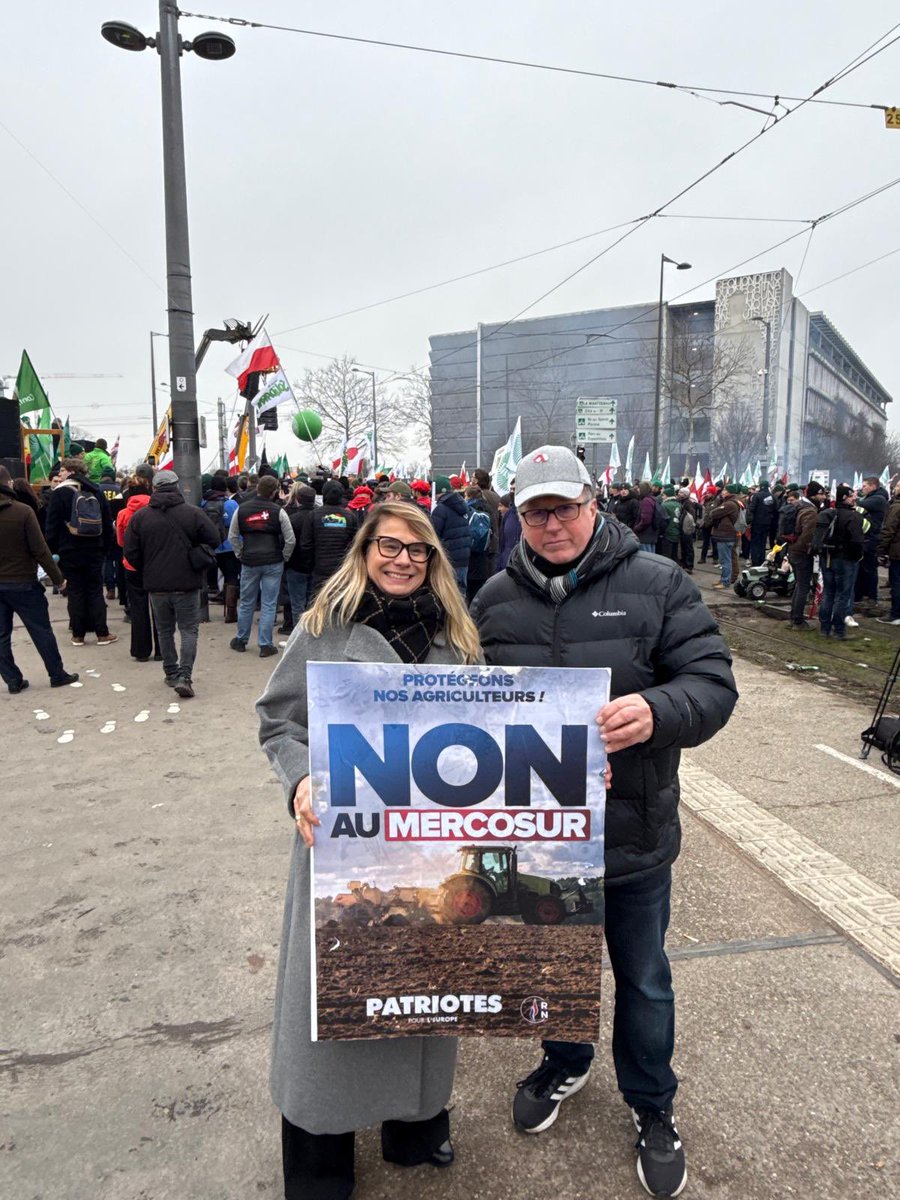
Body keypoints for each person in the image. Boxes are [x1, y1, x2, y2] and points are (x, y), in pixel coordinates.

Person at [469, 445, 737, 1200]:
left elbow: (713, 685)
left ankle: (653, 1106)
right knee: (554, 968)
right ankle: (566, 1057)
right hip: (546, 841)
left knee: (644, 981)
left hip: (633, 839)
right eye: (535, 511)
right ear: (516, 516)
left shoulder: (658, 583)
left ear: (595, 503)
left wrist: (655, 711)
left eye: (565, 508)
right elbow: (469, 712)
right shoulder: (491, 600)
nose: (552, 524)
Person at [256, 501, 481, 1200]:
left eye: (419, 551)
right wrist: (300, 783)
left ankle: (414, 1128)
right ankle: (321, 1160)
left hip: (431, 843)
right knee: (332, 1001)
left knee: (422, 986)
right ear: (364, 550)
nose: (403, 559)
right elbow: (278, 722)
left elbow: (493, 732)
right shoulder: (324, 628)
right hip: (343, 846)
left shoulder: (457, 640)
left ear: (435, 561)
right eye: (389, 546)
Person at [123, 470, 220, 698]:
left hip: (156, 585)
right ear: (177, 487)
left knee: (164, 630)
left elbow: (130, 552)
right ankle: (185, 676)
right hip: (187, 582)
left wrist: (148, 567)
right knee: (188, 630)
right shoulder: (193, 513)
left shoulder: (140, 517)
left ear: (153, 489)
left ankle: (170, 672)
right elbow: (214, 538)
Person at [0, 465, 78, 693]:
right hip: (23, 582)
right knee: (41, 630)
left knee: (1, 635)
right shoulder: (23, 512)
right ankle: (56, 674)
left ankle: (13, 680)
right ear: (9, 484)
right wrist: (59, 579)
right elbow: (40, 550)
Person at [44, 455, 117, 647]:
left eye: (62, 470)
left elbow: (51, 525)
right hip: (95, 548)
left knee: (75, 590)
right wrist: (106, 547)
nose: (60, 473)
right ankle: (102, 633)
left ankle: (78, 634)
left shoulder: (59, 493)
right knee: (94, 589)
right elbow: (108, 523)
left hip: (69, 549)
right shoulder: (96, 490)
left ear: (70, 471)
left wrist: (53, 551)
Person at [228, 475, 296, 657]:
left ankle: (241, 640)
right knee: (269, 604)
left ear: (257, 488)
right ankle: (265, 644)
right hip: (273, 561)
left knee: (247, 602)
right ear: (274, 492)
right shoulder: (278, 511)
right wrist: (284, 556)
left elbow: (232, 536)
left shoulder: (241, 510)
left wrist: (240, 553)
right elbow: (290, 539)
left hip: (249, 560)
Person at [116, 474, 158, 662]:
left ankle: (141, 650)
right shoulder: (157, 511)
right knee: (159, 608)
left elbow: (120, 542)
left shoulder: (123, 514)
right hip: (155, 563)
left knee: (138, 608)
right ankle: (161, 650)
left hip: (132, 565)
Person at [816, 485, 864, 640]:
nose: (854, 498)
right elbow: (857, 541)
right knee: (842, 595)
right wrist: (857, 556)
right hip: (845, 559)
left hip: (827, 557)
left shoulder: (827, 514)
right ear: (845, 498)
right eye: (851, 496)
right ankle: (839, 630)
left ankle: (824, 628)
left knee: (828, 593)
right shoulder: (853, 516)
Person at [302, 479, 358, 600]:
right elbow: (355, 545)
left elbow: (306, 545)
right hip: (341, 571)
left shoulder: (313, 515)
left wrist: (312, 564)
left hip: (321, 570)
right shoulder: (350, 517)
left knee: (319, 605)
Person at [201, 473, 240, 621]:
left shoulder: (203, 504)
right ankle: (231, 612)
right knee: (231, 577)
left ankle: (203, 611)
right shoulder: (231, 504)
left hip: (211, 547)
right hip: (229, 546)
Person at [787, 481, 825, 630]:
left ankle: (793, 617)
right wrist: (809, 550)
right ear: (814, 495)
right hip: (801, 553)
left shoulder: (799, 506)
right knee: (803, 586)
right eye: (821, 494)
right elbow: (807, 535)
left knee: (799, 585)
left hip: (793, 550)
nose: (823, 497)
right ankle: (797, 620)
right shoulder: (810, 511)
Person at [430, 475, 471, 592]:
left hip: (449, 558)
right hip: (463, 557)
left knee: (449, 593)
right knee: (461, 592)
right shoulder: (462, 505)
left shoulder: (441, 509)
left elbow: (434, 535)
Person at [283, 483, 317, 625]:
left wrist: (285, 558)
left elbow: (287, 541)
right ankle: (309, 633)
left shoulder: (293, 519)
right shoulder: (319, 517)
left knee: (297, 604)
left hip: (295, 565)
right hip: (314, 564)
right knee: (311, 604)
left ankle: (299, 635)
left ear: (297, 499)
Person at [855, 475, 888, 616]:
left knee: (870, 569)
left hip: (872, 538)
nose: (863, 488)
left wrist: (853, 498)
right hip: (866, 537)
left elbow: (859, 505)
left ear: (873, 486)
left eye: (865, 486)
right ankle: (861, 594)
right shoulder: (873, 497)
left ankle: (872, 597)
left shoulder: (878, 499)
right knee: (863, 568)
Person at [705, 485, 740, 589]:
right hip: (728, 535)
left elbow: (713, 513)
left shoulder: (729, 504)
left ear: (729, 492)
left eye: (725, 490)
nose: (722, 492)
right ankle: (726, 579)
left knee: (725, 560)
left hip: (726, 535)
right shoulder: (730, 502)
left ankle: (725, 581)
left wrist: (715, 509)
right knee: (728, 558)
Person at [463, 483, 493, 603]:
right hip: (484, 557)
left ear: (469, 496)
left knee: (469, 594)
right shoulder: (489, 508)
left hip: (470, 558)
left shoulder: (468, 511)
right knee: (480, 594)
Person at [877, 482, 900, 626]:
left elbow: (889, 529)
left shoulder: (897, 507)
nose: (895, 487)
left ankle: (896, 614)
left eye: (898, 485)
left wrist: (881, 549)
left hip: (897, 551)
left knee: (897, 582)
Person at [496, 492, 521, 570]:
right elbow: (502, 544)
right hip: (505, 564)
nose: (498, 509)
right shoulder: (507, 516)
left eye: (501, 506)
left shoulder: (520, 518)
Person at [632, 483, 659, 553]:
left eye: (639, 488)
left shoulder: (646, 501)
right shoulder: (652, 499)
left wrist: (636, 528)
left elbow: (646, 520)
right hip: (651, 534)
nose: (638, 489)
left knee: (646, 558)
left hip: (645, 535)